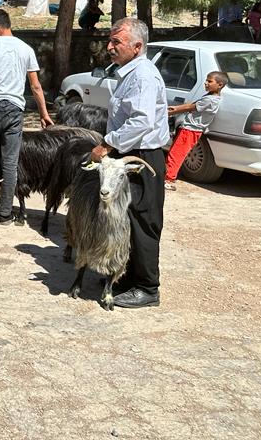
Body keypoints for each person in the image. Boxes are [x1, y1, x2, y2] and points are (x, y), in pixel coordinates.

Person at [89, 17, 170, 309]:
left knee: (143, 219)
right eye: (110, 41)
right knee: (124, 218)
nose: (110, 47)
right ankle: (126, 275)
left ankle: (148, 287)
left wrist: (108, 143)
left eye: (116, 42)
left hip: (143, 157)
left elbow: (142, 121)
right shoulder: (129, 73)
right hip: (129, 154)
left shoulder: (143, 76)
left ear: (137, 47)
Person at [0, 8, 54, 225]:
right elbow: (35, 85)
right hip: (15, 110)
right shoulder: (26, 49)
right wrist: (44, 113)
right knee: (10, 163)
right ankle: (5, 213)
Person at [165, 71, 226, 190]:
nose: (206, 83)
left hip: (190, 130)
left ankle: (169, 179)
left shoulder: (210, 100)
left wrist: (173, 110)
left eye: (210, 81)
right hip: (192, 130)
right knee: (175, 152)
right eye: (206, 80)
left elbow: (190, 107)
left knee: (175, 154)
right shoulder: (212, 97)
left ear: (220, 85)